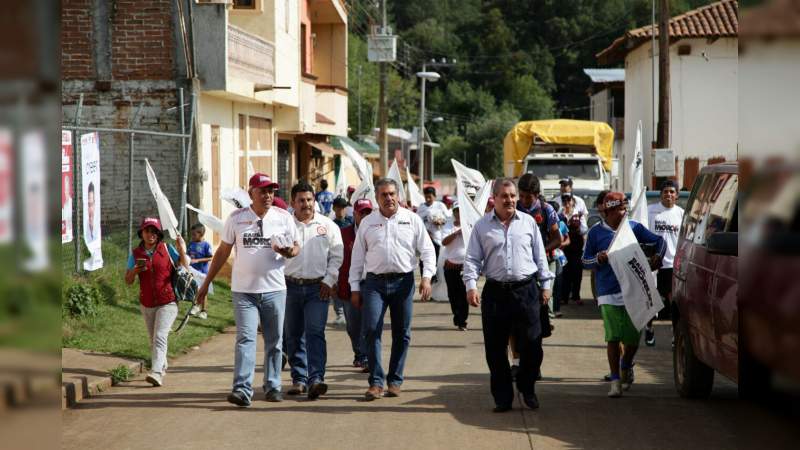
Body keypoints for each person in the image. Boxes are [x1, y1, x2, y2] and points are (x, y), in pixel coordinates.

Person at [195, 173, 300, 407]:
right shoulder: (237, 218)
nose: (268, 195)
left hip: (274, 290)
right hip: (243, 292)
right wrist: (205, 284)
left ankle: (273, 386)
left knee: (274, 341)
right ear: (250, 192)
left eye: (271, 191)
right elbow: (222, 252)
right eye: (263, 191)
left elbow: (296, 247)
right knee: (245, 338)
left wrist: (289, 253)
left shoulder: (284, 217)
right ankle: (242, 390)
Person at [463, 178, 554, 412]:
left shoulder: (528, 223)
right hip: (495, 293)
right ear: (494, 198)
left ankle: (527, 386)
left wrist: (546, 284)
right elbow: (472, 259)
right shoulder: (482, 226)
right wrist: (471, 286)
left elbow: (540, 256)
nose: (510, 200)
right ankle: (503, 397)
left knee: (533, 346)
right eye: (505, 196)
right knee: (495, 349)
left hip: (526, 291)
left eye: (513, 195)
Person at [349, 178, 436, 400]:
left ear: (398, 196)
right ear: (377, 198)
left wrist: (426, 278)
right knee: (370, 330)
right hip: (374, 284)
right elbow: (357, 258)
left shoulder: (412, 220)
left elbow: (427, 250)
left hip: (403, 283)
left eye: (391, 194)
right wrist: (355, 288)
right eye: (383, 195)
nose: (388, 198)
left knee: (402, 333)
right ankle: (376, 383)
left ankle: (395, 381)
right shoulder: (368, 223)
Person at [582, 192, 665, 398]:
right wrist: (598, 259)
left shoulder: (634, 227)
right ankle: (615, 379)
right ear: (608, 211)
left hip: (634, 291)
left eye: (625, 209)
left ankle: (626, 364)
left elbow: (660, 242)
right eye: (620, 209)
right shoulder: (595, 233)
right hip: (607, 292)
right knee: (612, 337)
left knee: (632, 339)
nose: (623, 213)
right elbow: (585, 261)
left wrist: (657, 257)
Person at [283, 182, 344, 400]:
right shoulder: (284, 225)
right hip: (289, 286)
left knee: (315, 332)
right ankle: (299, 379)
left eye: (309, 199)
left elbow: (337, 255)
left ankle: (316, 378)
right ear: (293, 202)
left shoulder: (327, 226)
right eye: (301, 200)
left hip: (318, 288)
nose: (306, 204)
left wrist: (330, 280)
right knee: (293, 334)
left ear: (314, 201)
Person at [125, 217, 189, 387]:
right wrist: (134, 271)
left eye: (154, 231)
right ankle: (163, 364)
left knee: (160, 336)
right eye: (147, 231)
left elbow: (184, 265)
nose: (151, 234)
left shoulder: (167, 249)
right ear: (142, 233)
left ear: (159, 234)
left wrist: (181, 249)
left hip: (168, 301)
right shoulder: (135, 254)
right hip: (146, 302)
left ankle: (156, 372)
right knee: (153, 339)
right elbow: (128, 280)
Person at [645, 180, 684, 346]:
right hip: (653, 263)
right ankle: (648, 330)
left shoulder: (682, 214)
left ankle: (675, 335)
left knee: (673, 301)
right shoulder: (650, 211)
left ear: (677, 195)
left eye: (672, 192)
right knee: (650, 299)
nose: (668, 194)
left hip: (672, 265)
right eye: (665, 191)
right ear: (660, 194)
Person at [337, 198, 374, 372]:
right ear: (355, 214)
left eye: (368, 212)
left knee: (370, 323)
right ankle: (359, 353)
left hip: (372, 285)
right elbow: (336, 259)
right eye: (362, 213)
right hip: (348, 285)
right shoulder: (343, 233)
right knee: (353, 325)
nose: (365, 216)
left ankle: (366, 357)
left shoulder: (377, 230)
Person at [441, 202, 469, 330]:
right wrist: (457, 233)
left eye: (460, 211)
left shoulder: (469, 226)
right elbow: (444, 242)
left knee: (464, 294)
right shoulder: (448, 225)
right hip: (450, 267)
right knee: (453, 295)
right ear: (453, 213)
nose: (458, 213)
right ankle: (457, 316)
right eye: (456, 211)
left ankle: (462, 321)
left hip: (464, 267)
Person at [560, 193, 588, 306]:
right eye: (564, 201)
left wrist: (576, 226)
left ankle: (576, 296)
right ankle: (564, 297)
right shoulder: (560, 214)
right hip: (564, 248)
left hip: (576, 248)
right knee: (565, 273)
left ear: (572, 201)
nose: (567, 203)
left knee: (577, 272)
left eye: (568, 200)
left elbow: (584, 230)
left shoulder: (578, 215)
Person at [416, 187, 448, 281]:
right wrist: (425, 231)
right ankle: (425, 278)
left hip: (437, 238)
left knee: (435, 258)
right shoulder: (421, 207)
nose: (428, 199)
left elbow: (448, 218)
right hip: (425, 237)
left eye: (430, 197)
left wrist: (440, 221)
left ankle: (434, 277)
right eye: (426, 197)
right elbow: (418, 222)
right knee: (424, 258)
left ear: (435, 196)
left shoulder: (440, 205)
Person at [187, 223, 214, 319]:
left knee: (203, 291)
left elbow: (210, 257)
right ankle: (196, 306)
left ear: (201, 234)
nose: (192, 236)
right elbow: (187, 255)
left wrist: (198, 260)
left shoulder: (206, 245)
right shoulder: (190, 244)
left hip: (203, 273)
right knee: (196, 289)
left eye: (194, 234)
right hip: (193, 272)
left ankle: (203, 310)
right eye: (192, 234)